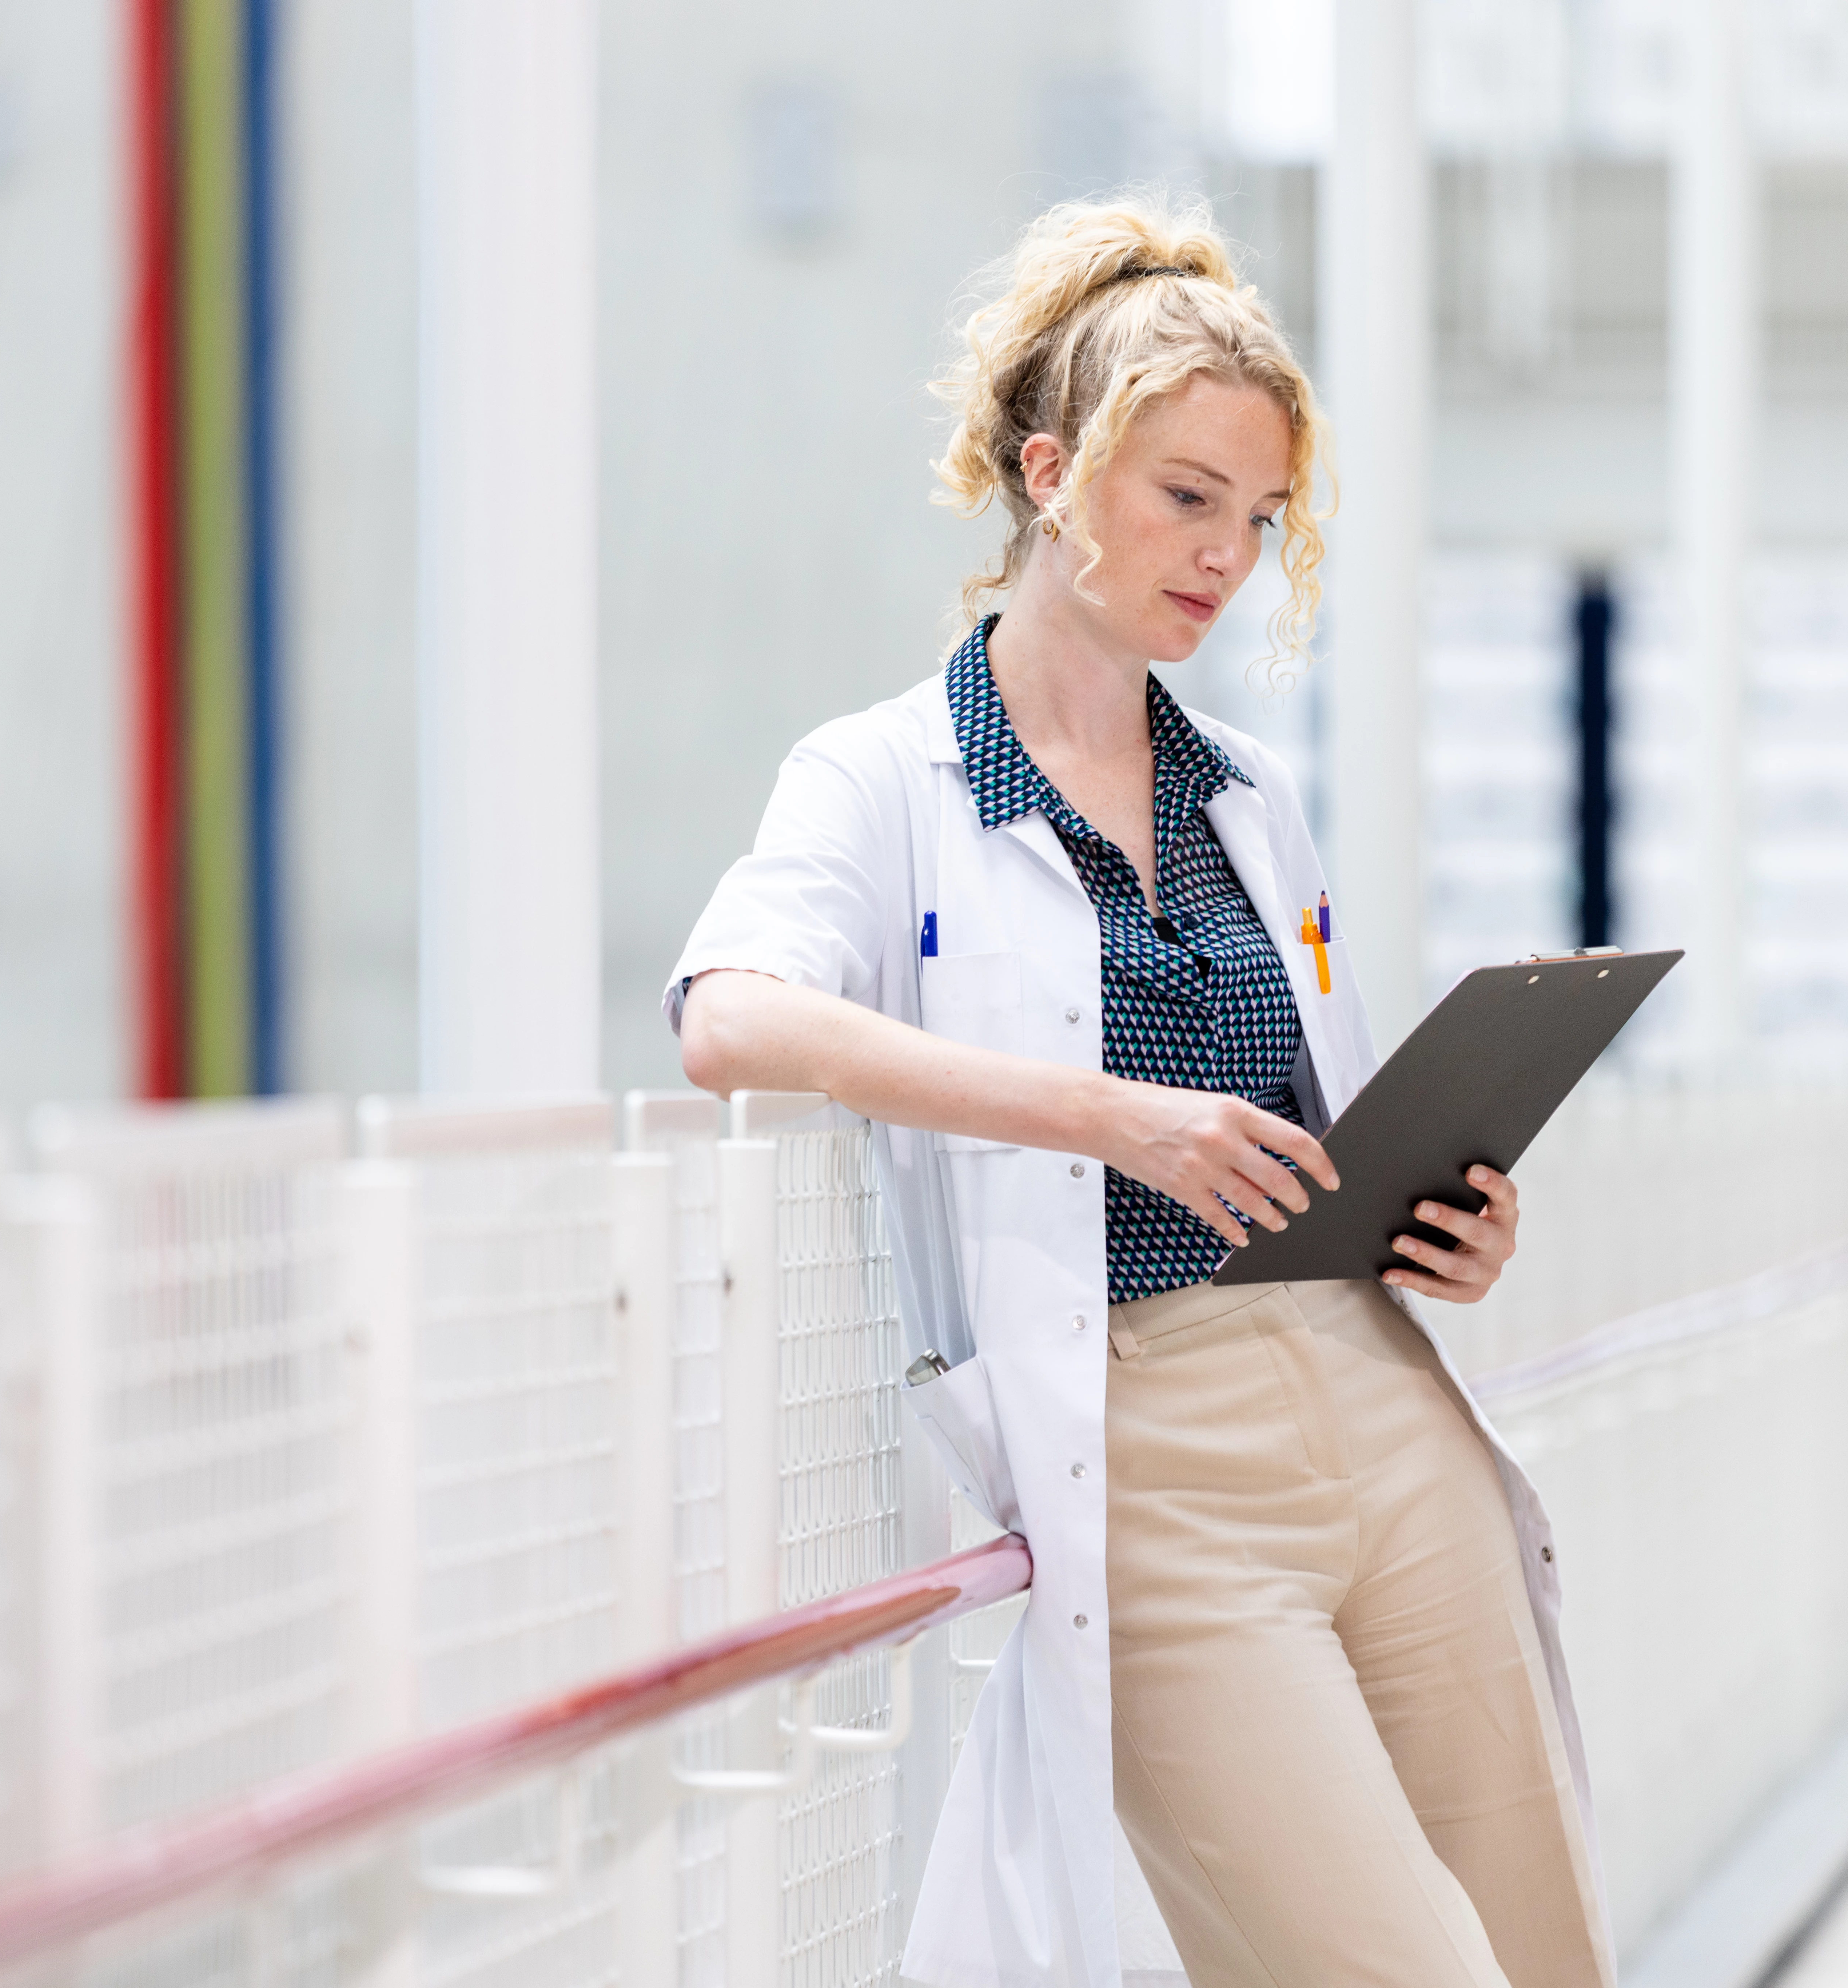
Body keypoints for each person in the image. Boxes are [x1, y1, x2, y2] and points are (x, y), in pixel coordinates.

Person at [665, 200, 1615, 1988]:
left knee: (1549, 1948)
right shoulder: (884, 778)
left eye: (1257, 521)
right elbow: (729, 1015)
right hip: (1146, 1453)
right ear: (1047, 471)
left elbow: (1303, 1115)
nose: (1226, 557)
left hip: (1378, 1393)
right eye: (1186, 498)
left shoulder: (1248, 792)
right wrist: (1108, 1114)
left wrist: (1439, 1224)